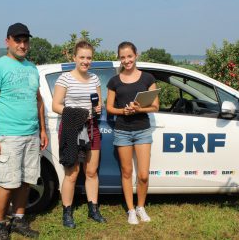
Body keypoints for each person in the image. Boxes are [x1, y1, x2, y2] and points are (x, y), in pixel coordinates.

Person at [0, 22, 48, 240]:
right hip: (8, 135)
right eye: (17, 40)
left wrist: (42, 130)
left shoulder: (31, 67)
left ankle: (19, 220)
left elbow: (38, 100)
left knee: (27, 180)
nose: (22, 45)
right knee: (7, 183)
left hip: (30, 134)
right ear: (8, 41)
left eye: (25, 41)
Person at [52, 40, 106, 229]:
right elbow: (56, 105)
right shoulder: (65, 79)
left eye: (89, 58)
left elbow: (98, 104)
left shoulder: (95, 79)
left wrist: (98, 107)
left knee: (91, 172)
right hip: (71, 128)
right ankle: (67, 213)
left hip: (91, 128)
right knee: (72, 173)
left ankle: (93, 210)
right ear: (74, 57)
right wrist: (78, 113)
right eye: (82, 57)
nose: (85, 61)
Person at [106, 41, 159, 225]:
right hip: (122, 131)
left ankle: (141, 207)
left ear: (136, 55)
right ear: (119, 59)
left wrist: (138, 109)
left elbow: (155, 106)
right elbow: (110, 108)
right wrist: (124, 111)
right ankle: (130, 210)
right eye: (123, 57)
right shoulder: (114, 81)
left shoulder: (148, 78)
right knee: (127, 172)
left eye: (129, 56)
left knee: (143, 174)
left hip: (143, 130)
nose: (127, 60)